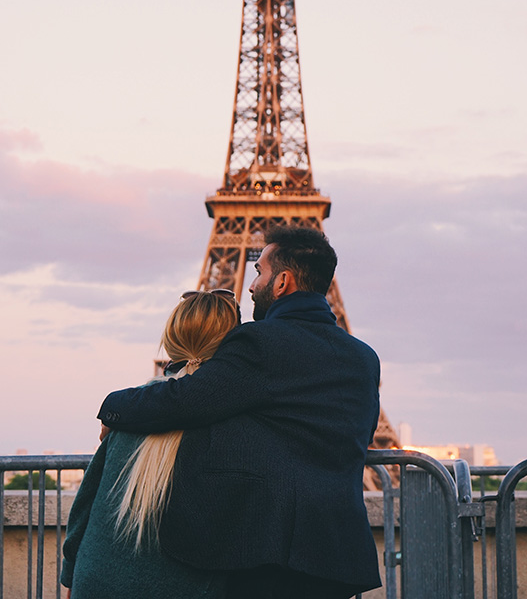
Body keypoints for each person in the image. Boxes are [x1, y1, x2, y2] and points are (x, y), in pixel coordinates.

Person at [98, 226, 382, 598]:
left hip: (269, 551)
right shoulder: (363, 358)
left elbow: (184, 401)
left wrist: (111, 406)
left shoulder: (259, 342)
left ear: (282, 282)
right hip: (337, 551)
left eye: (259, 272)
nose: (251, 286)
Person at [61, 290, 241, 599]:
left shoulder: (131, 412)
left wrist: (71, 576)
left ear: (172, 339)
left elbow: (85, 505)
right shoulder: (235, 422)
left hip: (97, 579)